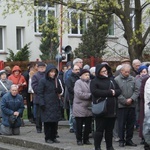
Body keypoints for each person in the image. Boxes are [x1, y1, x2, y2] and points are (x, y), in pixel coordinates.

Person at [90, 63, 121, 150]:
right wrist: (110, 92)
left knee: (109, 130)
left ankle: (109, 146)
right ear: (98, 72)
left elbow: (119, 90)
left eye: (105, 70)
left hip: (112, 109)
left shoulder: (111, 80)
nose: (105, 72)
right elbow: (95, 92)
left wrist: (114, 92)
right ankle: (97, 147)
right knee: (99, 130)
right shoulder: (95, 81)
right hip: (101, 109)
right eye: (102, 71)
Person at [115, 64, 139, 147]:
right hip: (121, 106)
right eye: (126, 72)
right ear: (121, 71)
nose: (127, 73)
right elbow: (117, 93)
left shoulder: (133, 79)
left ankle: (129, 139)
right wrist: (124, 101)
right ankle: (121, 140)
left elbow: (137, 91)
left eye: (128, 72)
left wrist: (132, 99)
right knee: (121, 124)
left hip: (132, 105)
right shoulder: (117, 80)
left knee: (130, 124)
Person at [38, 64, 62, 144]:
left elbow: (60, 90)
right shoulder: (43, 81)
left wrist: (58, 89)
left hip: (55, 103)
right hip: (46, 104)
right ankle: (48, 137)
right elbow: (40, 93)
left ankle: (54, 136)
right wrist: (42, 103)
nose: (53, 74)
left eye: (54, 72)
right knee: (48, 122)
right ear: (48, 72)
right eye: (51, 72)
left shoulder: (56, 80)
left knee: (55, 122)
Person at [73, 69, 92, 146]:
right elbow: (79, 93)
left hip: (89, 107)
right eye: (85, 75)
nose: (87, 76)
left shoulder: (91, 82)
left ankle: (86, 139)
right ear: (81, 75)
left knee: (88, 125)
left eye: (88, 75)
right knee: (79, 125)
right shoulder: (78, 82)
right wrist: (90, 95)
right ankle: (79, 139)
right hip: (80, 106)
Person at [31, 62, 46, 133]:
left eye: (43, 67)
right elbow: (34, 87)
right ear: (38, 68)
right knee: (38, 115)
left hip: (47, 98)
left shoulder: (47, 75)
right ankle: (38, 127)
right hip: (38, 98)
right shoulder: (35, 76)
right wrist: (42, 91)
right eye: (41, 67)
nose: (42, 68)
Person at [66, 65, 80, 133]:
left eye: (78, 69)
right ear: (73, 70)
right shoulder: (69, 78)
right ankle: (71, 126)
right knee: (72, 113)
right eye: (76, 69)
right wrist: (77, 92)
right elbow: (69, 88)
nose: (77, 71)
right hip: (73, 97)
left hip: (80, 98)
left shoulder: (80, 77)